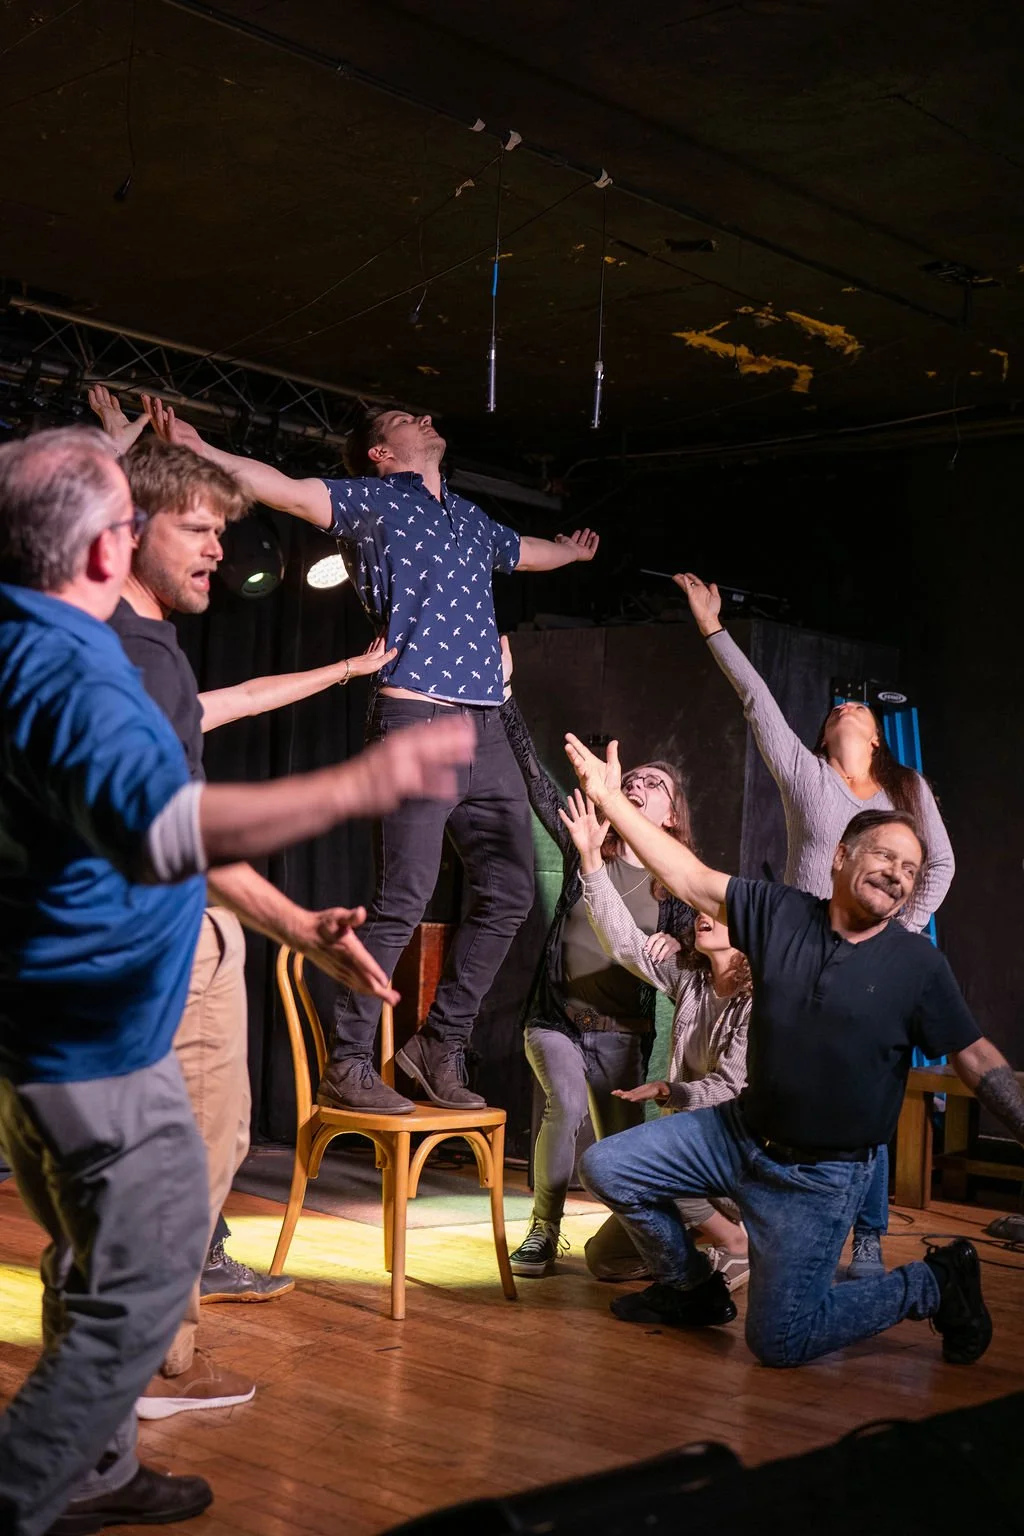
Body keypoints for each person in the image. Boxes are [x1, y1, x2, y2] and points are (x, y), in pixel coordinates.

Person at [0, 426, 475, 1536]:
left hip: (64, 1027)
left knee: (97, 1266)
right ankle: (26, 1491)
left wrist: (298, 924)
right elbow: (164, 828)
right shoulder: (81, 666)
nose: (216, 548)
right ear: (114, 546)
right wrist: (363, 780)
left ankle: (100, 1468)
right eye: (181, 525)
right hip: (100, 1042)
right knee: (143, 1284)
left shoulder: (42, 640)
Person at [142, 393, 600, 1114]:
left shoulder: (471, 520)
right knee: (404, 897)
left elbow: (527, 552)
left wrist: (570, 552)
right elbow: (283, 490)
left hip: (486, 724)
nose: (424, 418)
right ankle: (349, 1061)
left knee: (511, 889)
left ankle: (438, 1044)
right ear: (380, 452)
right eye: (403, 420)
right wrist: (206, 450)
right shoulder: (374, 500)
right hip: (417, 713)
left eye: (425, 414)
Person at [90, 401, 401, 1417]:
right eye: (200, 529)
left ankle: (161, 1361)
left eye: (225, 532)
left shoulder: (162, 657)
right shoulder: (121, 655)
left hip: (191, 931)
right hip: (154, 942)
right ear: (129, 529)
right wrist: (294, 920)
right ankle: (131, 1376)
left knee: (207, 1152)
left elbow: (246, 706)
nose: (221, 552)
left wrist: (347, 670)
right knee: (165, 1166)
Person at [564, 731, 1024, 1368]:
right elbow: (688, 875)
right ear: (839, 856)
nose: (898, 873)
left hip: (819, 1177)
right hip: (736, 1136)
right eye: (885, 856)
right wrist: (612, 804)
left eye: (911, 870)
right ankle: (691, 1290)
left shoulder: (916, 965)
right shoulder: (779, 914)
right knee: (610, 1167)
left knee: (780, 1342)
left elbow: (976, 1057)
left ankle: (932, 1283)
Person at [676, 571, 957, 1281]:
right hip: (804, 954)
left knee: (873, 1087)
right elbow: (757, 703)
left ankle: (867, 1233)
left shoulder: (907, 791)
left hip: (873, 958)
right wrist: (713, 628)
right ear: (829, 735)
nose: (846, 709)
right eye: (836, 711)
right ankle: (771, 1220)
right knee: (802, 1085)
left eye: (855, 709)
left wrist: (899, 929)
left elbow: (943, 865)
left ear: (876, 733)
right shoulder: (808, 776)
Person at [498, 643, 692, 1276]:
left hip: (622, 1038)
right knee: (565, 1105)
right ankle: (541, 1230)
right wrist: (503, 694)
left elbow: (711, 942)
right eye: (630, 779)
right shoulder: (587, 842)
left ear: (671, 813)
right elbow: (534, 777)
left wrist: (683, 945)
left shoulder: (676, 886)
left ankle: (639, 1241)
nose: (636, 785)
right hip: (556, 1019)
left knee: (623, 1154)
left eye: (653, 785)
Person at [557, 790, 750, 1290]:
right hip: (691, 1143)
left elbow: (733, 1087)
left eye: (720, 912)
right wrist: (591, 860)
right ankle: (699, 1251)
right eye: (703, 908)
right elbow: (623, 941)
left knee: (649, 1164)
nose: (704, 915)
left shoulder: (760, 999)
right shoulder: (692, 977)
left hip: (734, 1155)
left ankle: (736, 1238)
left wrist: (672, 1093)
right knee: (605, 1258)